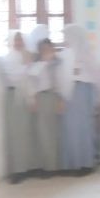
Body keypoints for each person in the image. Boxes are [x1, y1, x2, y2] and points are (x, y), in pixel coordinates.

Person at [59, 25, 98, 176]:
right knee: (71, 129)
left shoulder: (86, 52)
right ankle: (73, 163)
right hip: (69, 94)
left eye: (68, 35)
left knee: (84, 128)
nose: (66, 39)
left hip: (82, 92)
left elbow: (94, 72)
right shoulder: (65, 54)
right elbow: (63, 75)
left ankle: (86, 163)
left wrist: (78, 72)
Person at [0, 31, 36, 183]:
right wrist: (27, 66)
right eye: (16, 40)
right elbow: (14, 77)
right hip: (14, 98)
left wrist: (32, 98)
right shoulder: (7, 58)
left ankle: (27, 167)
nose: (19, 43)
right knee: (15, 135)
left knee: (27, 133)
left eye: (21, 40)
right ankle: (16, 171)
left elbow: (31, 78)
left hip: (26, 97)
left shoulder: (25, 56)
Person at [29, 38, 64, 177]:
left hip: (54, 97)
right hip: (41, 98)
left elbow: (60, 82)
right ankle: (45, 166)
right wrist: (33, 100)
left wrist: (60, 100)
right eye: (43, 48)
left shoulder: (57, 63)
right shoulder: (36, 64)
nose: (46, 50)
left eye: (49, 47)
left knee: (55, 132)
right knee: (43, 133)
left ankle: (55, 166)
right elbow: (32, 83)